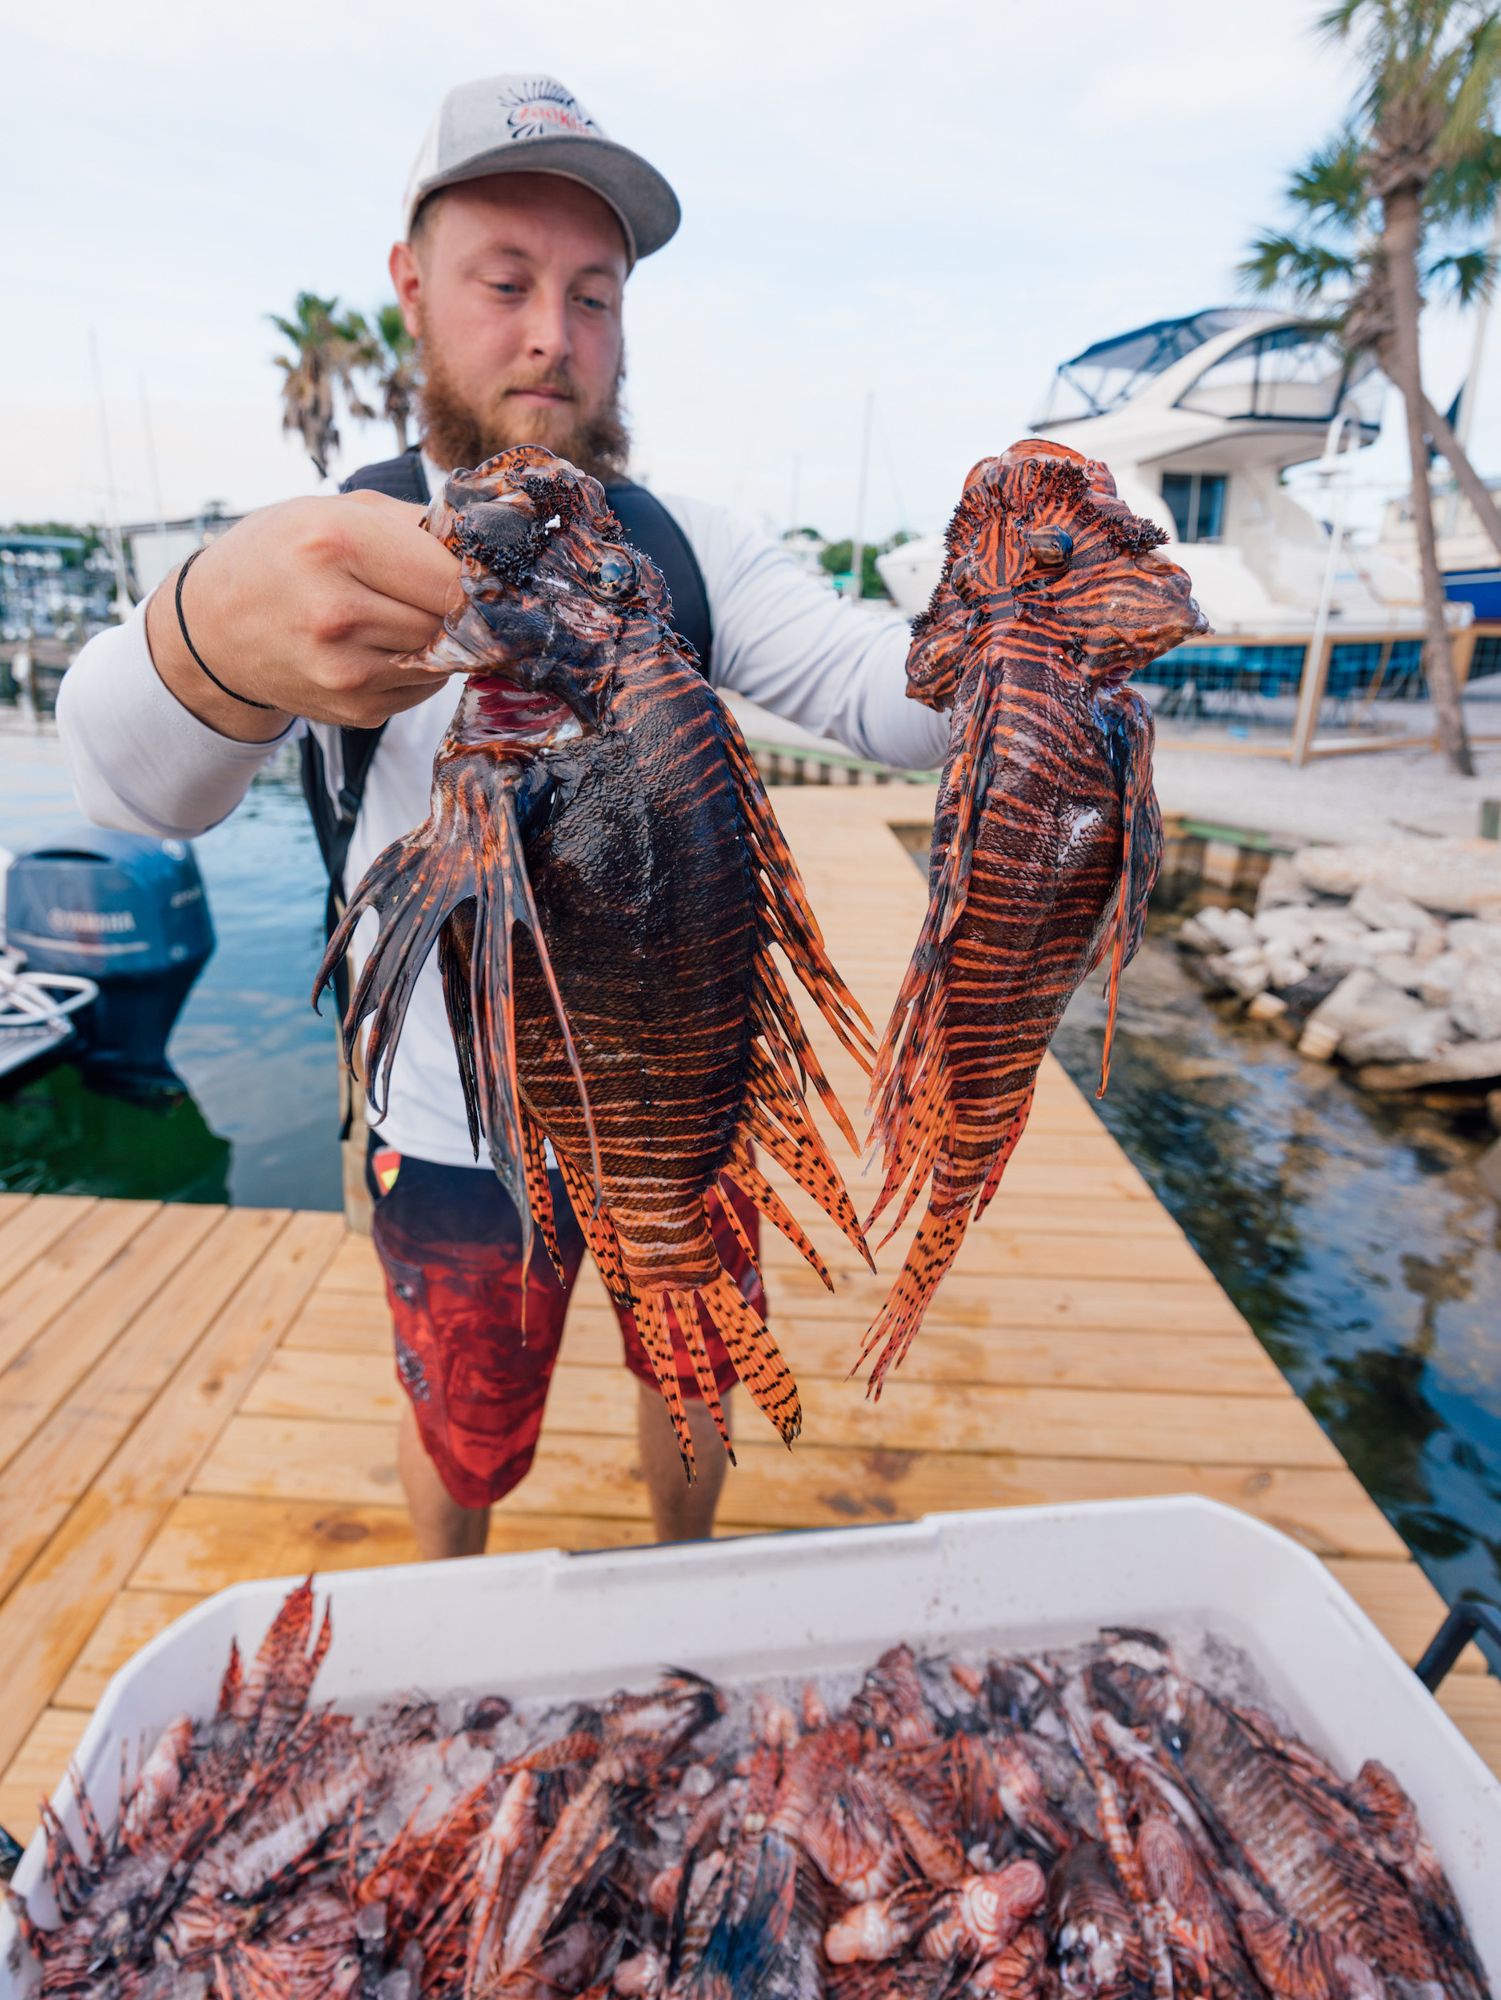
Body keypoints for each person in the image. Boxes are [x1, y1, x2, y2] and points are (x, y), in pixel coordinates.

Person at [57, 73, 952, 1562]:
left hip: (686, 1095)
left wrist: (1038, 626)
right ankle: (448, 1608)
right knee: (465, 1428)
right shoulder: (331, 557)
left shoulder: (683, 548)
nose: (554, 333)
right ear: (411, 287)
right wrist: (207, 629)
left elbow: (895, 697)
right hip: (452, 1130)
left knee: (698, 1365)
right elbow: (131, 786)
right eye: (508, 281)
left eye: (594, 294)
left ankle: (686, 1577)